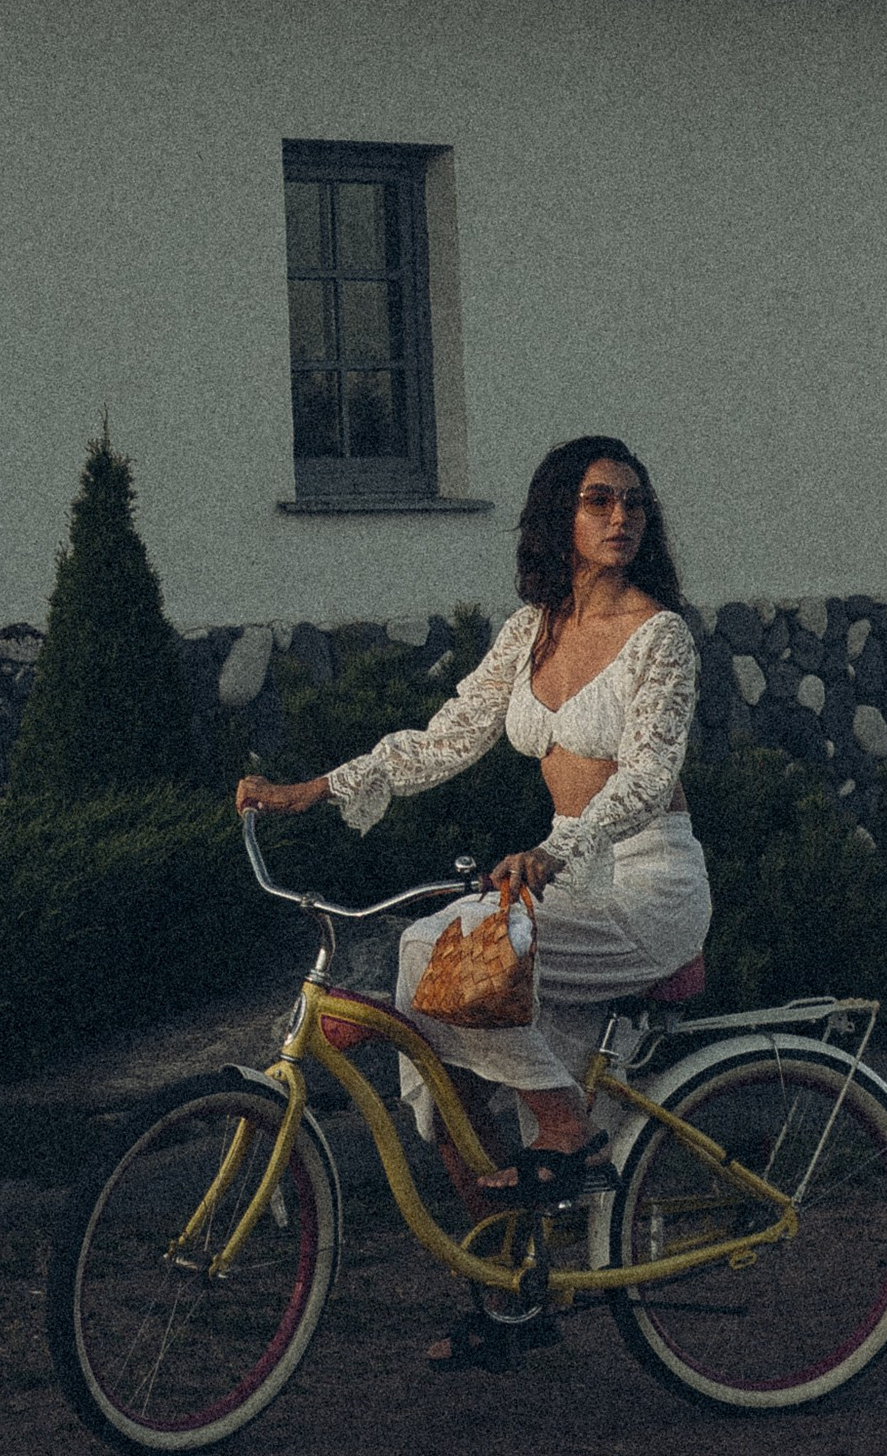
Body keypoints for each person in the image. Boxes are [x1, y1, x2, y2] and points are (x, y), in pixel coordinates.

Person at [235, 433, 709, 1183]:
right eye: (599, 501)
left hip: (646, 885)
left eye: (634, 503)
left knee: (438, 954)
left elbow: (649, 777)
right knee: (434, 1030)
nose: (622, 517)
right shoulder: (531, 631)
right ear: (559, 517)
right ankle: (493, 1230)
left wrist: (554, 850)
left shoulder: (661, 637)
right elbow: (446, 739)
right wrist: (316, 788)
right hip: (567, 877)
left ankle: (566, 1127)